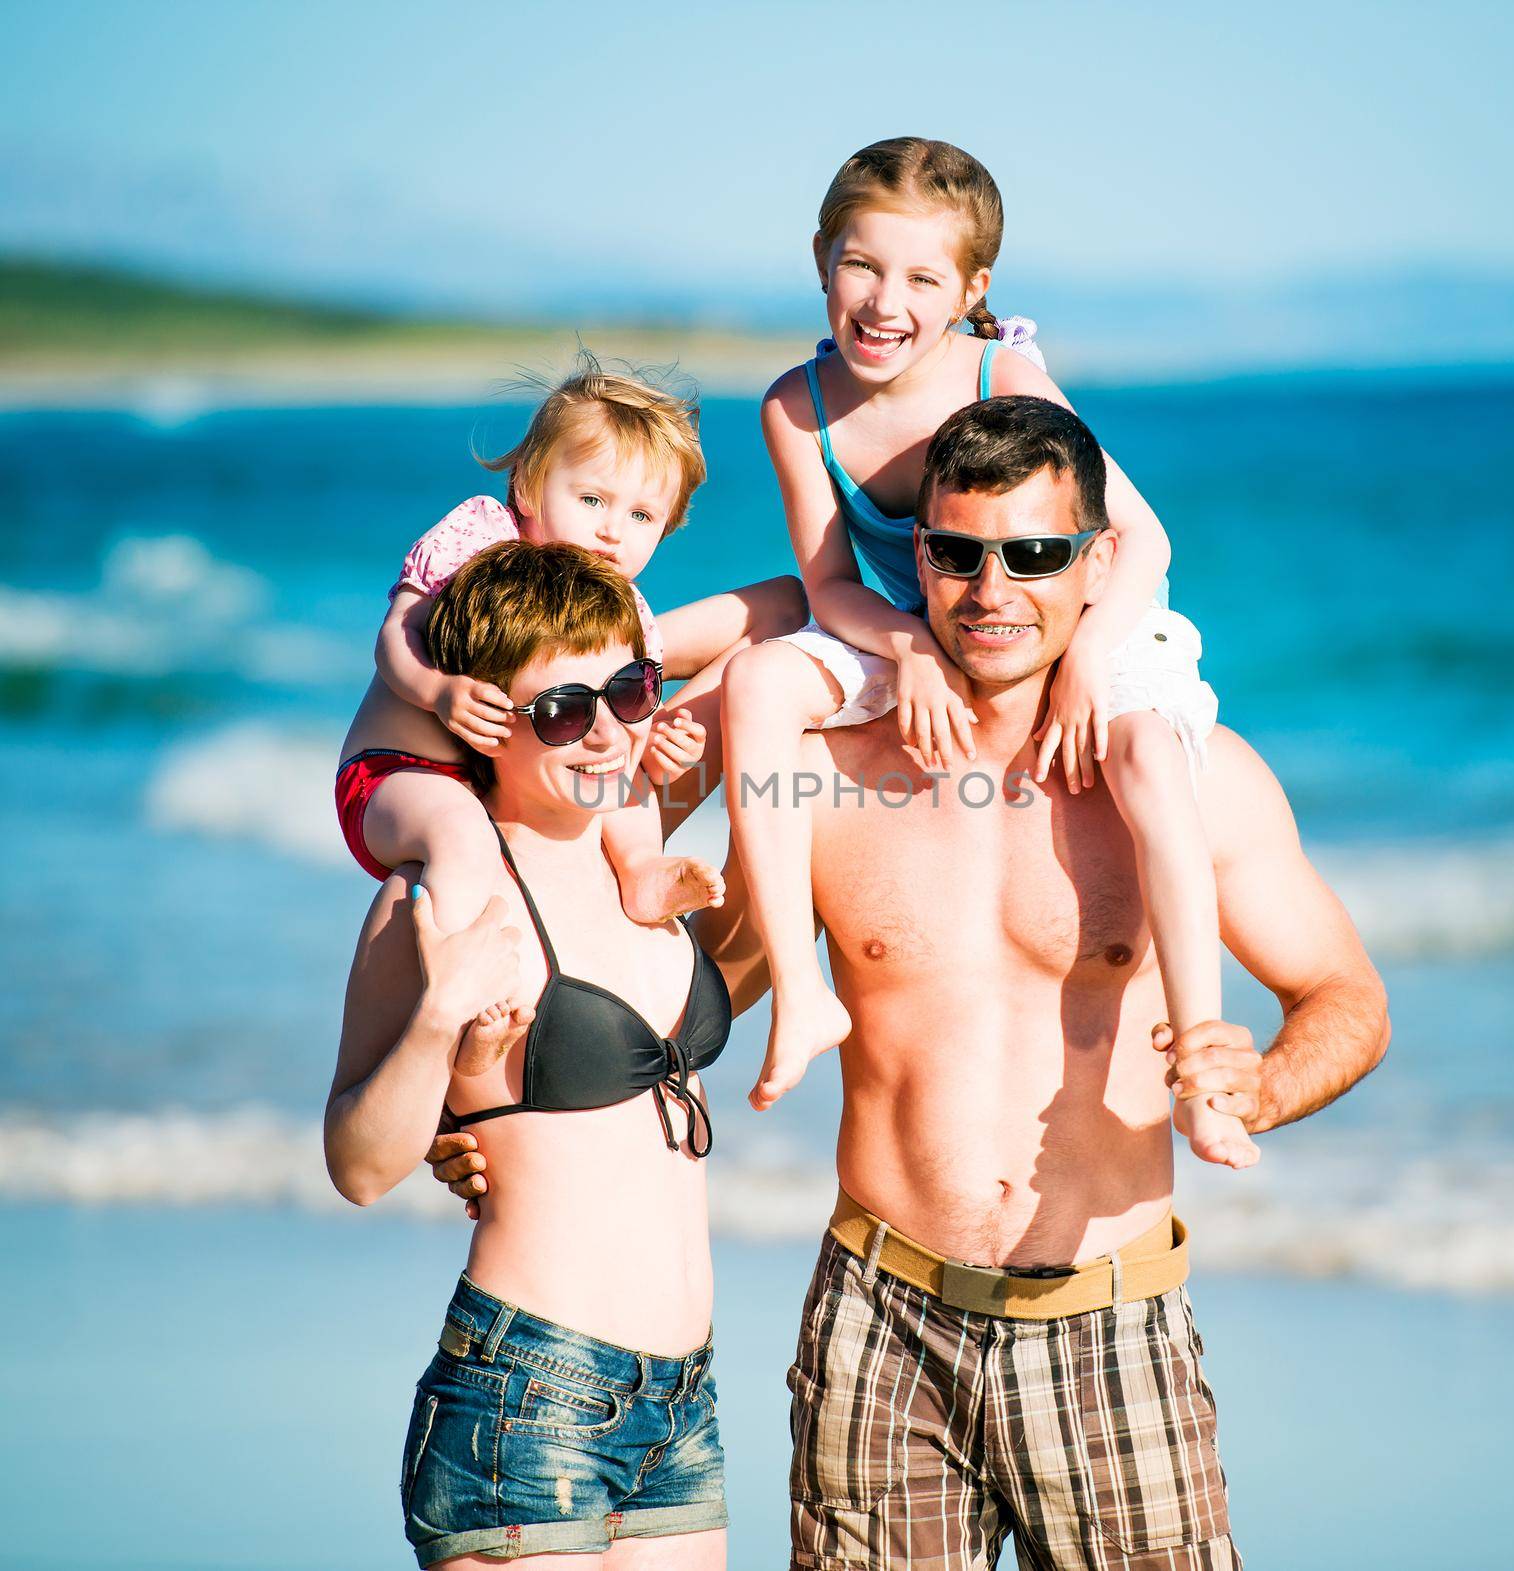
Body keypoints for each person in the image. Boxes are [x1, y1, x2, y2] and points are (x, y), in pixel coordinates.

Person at [432, 397, 1390, 1571]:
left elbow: (1347, 996)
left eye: (1034, 555)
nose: (992, 589)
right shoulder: (820, 781)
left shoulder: (1189, 782)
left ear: (1095, 568)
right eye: (955, 552)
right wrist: (486, 1105)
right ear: (914, 557)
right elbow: (672, 1008)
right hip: (878, 1325)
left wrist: (1256, 1087)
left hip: (1109, 1321)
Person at [720, 138, 1251, 1171]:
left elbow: (1140, 540)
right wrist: (907, 649)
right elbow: (830, 583)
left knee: (1144, 758)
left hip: (1087, 622)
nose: (884, 300)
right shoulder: (797, 406)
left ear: (970, 288)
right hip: (912, 624)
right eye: (862, 266)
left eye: (921, 277)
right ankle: (798, 990)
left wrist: (1093, 654)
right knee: (756, 679)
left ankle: (1199, 1066)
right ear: (821, 259)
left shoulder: (1005, 374)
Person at [327, 542, 769, 1569]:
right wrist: (439, 1020)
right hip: (525, 1394)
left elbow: (783, 627)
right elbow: (355, 1163)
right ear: (484, 719)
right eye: (565, 709)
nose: (608, 730)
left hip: (683, 1400)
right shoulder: (441, 895)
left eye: (629, 689)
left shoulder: (643, 866)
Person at [336, 359, 805, 1062]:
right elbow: (395, 633)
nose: (612, 531)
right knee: (463, 838)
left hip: (524, 783)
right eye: (592, 499)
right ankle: (461, 998)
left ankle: (642, 866)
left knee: (629, 774)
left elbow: (620, 725)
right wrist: (436, 690)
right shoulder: (485, 536)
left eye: (641, 515)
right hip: (402, 774)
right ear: (528, 484)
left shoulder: (626, 612)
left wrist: (656, 739)